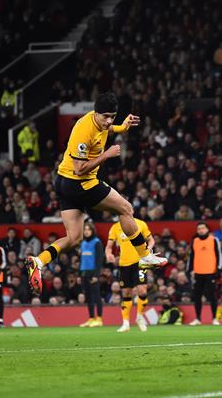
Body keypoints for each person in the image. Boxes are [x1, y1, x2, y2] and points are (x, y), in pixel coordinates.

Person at [25, 93, 167, 294]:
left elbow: (108, 128)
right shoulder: (83, 130)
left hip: (64, 182)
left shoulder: (100, 121)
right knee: (126, 208)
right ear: (96, 113)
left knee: (74, 238)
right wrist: (106, 155)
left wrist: (122, 127)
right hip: (80, 182)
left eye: (113, 116)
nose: (109, 121)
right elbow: (80, 169)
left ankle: (39, 261)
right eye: (106, 116)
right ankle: (144, 256)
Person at [106, 217, 154, 332]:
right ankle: (126, 323)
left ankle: (139, 317)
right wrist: (108, 254)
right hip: (124, 264)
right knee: (126, 293)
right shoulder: (115, 227)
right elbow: (109, 246)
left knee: (142, 290)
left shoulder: (140, 224)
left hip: (140, 262)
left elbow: (151, 240)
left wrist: (148, 251)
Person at [187, 222, 222, 326]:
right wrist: (189, 269)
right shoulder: (195, 241)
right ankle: (198, 318)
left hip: (211, 272)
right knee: (197, 296)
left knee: (212, 296)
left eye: (203, 228)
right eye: (199, 229)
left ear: (207, 229)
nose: (201, 230)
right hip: (198, 273)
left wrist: (219, 269)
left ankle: (214, 318)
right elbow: (191, 257)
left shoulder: (214, 240)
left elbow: (219, 255)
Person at [79, 223, 104, 327]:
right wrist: (79, 274)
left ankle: (99, 319)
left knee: (96, 296)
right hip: (84, 273)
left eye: (88, 229)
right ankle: (91, 318)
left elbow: (99, 260)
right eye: (85, 229)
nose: (86, 231)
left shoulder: (97, 242)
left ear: (92, 230)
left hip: (93, 273)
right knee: (88, 297)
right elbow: (81, 260)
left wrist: (96, 275)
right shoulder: (83, 243)